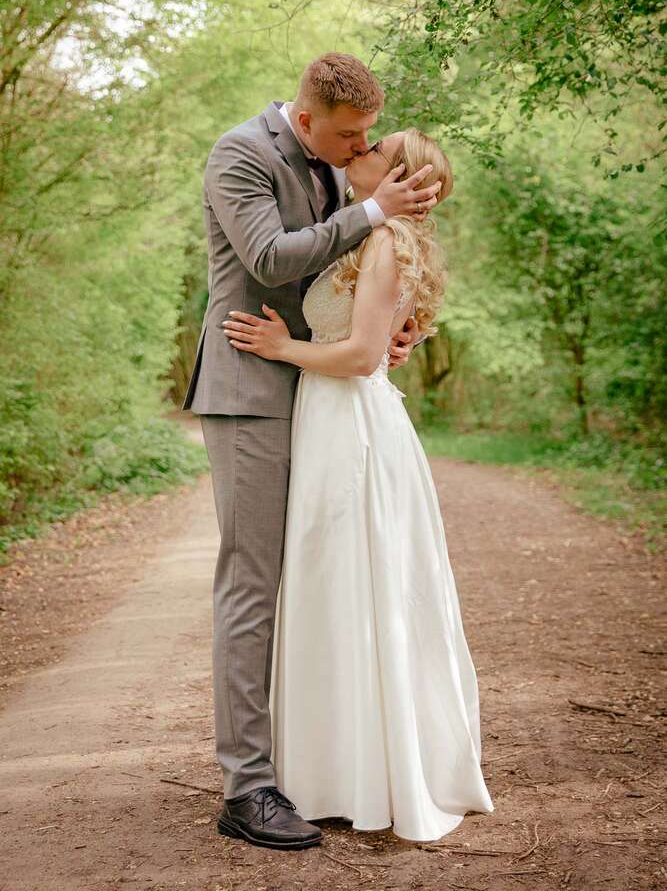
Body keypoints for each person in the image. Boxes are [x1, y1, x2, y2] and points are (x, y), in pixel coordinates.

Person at [182, 53, 442, 850]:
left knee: (320, 584)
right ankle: (247, 787)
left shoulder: (333, 171)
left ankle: (316, 760)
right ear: (306, 117)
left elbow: (351, 277)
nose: (357, 148)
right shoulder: (241, 154)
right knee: (254, 582)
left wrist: (395, 328)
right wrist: (371, 218)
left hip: (321, 399)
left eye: (366, 136)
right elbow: (266, 259)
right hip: (249, 392)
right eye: (348, 135)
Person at [222, 127, 495, 842]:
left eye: (375, 149)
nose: (359, 153)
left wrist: (283, 346)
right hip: (329, 420)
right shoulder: (365, 235)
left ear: (396, 176)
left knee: (352, 584)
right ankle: (334, 767)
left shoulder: (383, 243)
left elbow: (360, 354)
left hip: (350, 425)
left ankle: (363, 772)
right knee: (333, 587)